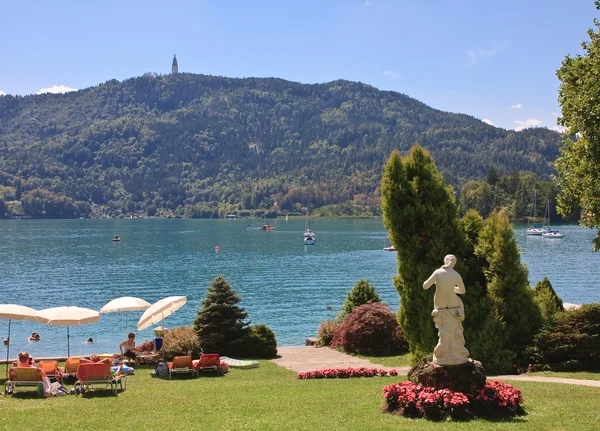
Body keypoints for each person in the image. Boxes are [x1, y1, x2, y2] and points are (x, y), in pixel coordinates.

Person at [423, 254, 469, 366]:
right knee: (454, 330)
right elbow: (462, 291)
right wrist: (451, 287)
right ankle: (456, 354)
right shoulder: (456, 274)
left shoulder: (438, 273)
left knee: (443, 331)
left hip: (440, 304)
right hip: (453, 303)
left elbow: (425, 286)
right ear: (454, 263)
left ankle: (444, 354)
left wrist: (438, 284)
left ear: (445, 261)